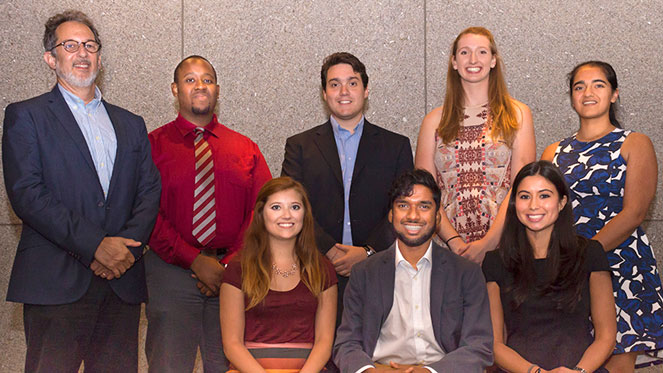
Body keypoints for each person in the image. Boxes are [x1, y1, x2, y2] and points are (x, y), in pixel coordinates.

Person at [2, 10, 161, 372]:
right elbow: (27, 194)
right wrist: (95, 246)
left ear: (100, 57)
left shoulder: (130, 123)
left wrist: (124, 250)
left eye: (90, 45)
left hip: (120, 283)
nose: (82, 53)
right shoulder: (26, 116)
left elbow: (149, 190)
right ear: (50, 58)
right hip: (56, 282)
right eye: (69, 45)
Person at [146, 55, 272, 372]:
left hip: (234, 275)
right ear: (175, 89)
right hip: (170, 271)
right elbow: (144, 212)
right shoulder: (152, 146)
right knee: (169, 365)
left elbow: (263, 212)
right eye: (190, 79)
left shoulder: (245, 148)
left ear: (217, 89)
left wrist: (226, 264)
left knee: (229, 366)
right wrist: (193, 259)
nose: (200, 85)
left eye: (207, 79)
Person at [542, 61, 663, 372]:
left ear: (614, 94)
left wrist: (586, 256)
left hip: (619, 263)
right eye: (579, 86)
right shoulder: (553, 152)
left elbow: (634, 213)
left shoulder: (634, 143)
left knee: (617, 359)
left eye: (598, 84)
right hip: (565, 267)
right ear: (571, 97)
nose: (588, 92)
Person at [281, 52, 413, 324]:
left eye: (352, 83)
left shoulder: (396, 146)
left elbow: (405, 209)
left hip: (381, 272)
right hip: (315, 271)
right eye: (334, 84)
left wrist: (367, 252)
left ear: (366, 90)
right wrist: (329, 250)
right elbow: (292, 208)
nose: (344, 91)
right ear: (324, 93)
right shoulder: (300, 146)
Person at [333, 169, 493, 373]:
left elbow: (479, 347)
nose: (413, 215)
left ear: (437, 217)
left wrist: (429, 372)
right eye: (403, 206)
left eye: (424, 206)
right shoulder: (364, 273)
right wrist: (369, 371)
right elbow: (346, 344)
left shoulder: (466, 273)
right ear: (391, 215)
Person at [415, 27, 535, 263]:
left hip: (504, 246)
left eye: (481, 52)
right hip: (447, 249)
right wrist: (454, 242)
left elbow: (521, 186)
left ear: (493, 61)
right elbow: (426, 193)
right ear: (454, 62)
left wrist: (489, 243)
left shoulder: (518, 114)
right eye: (464, 52)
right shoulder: (433, 122)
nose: (473, 60)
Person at [482, 161, 616, 373]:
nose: (534, 205)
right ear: (514, 203)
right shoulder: (496, 262)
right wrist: (534, 372)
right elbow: (494, 344)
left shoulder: (590, 253)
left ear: (562, 202)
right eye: (524, 196)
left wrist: (578, 372)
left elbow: (606, 336)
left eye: (544, 195)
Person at [219, 177, 338, 371]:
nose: (286, 215)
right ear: (261, 214)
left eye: (295, 207)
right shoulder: (238, 269)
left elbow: (324, 343)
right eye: (276, 207)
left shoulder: (322, 269)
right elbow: (231, 345)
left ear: (305, 215)